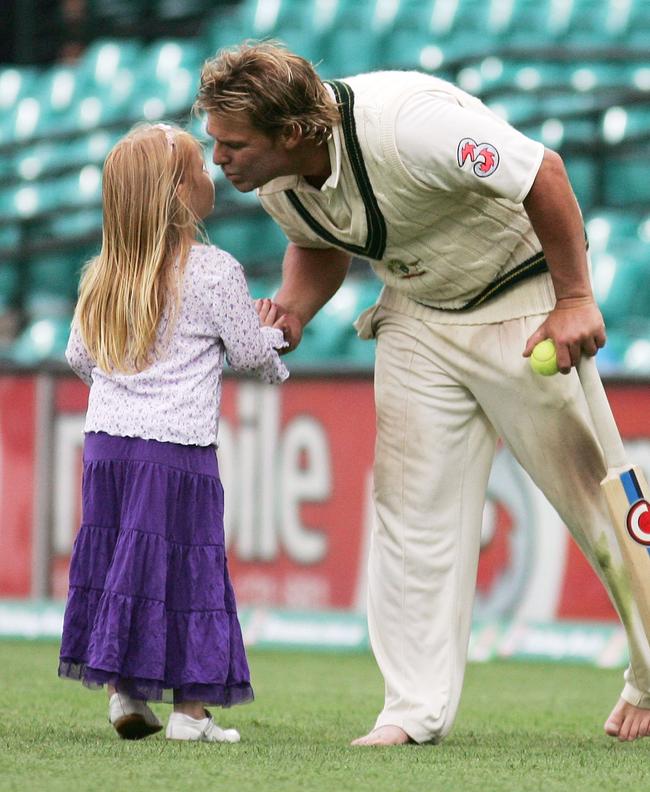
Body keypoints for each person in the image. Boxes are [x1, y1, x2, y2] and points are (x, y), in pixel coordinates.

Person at [195, 41, 650, 747]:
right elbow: (322, 237)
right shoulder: (280, 175)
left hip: (521, 302)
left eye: (232, 144)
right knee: (409, 509)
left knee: (601, 503)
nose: (217, 158)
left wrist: (577, 298)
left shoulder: (410, 124)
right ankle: (411, 709)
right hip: (417, 314)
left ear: (290, 132)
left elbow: (543, 172)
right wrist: (294, 308)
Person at [58, 122, 289, 742]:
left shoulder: (104, 272)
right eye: (198, 168)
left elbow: (80, 357)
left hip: (107, 446)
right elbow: (248, 353)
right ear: (178, 194)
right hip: (178, 449)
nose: (211, 172)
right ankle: (192, 711)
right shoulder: (213, 270)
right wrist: (276, 337)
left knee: (118, 563)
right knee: (190, 571)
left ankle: (125, 694)